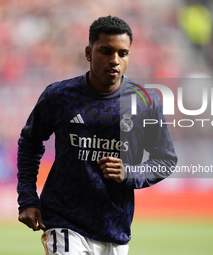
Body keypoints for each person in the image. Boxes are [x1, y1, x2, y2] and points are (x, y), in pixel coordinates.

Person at [17, 15, 177, 255]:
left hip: (115, 227)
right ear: (88, 53)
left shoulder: (145, 101)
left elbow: (166, 160)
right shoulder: (59, 96)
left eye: (123, 53)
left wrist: (130, 172)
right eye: (105, 51)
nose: (115, 60)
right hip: (64, 220)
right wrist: (28, 199)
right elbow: (30, 143)